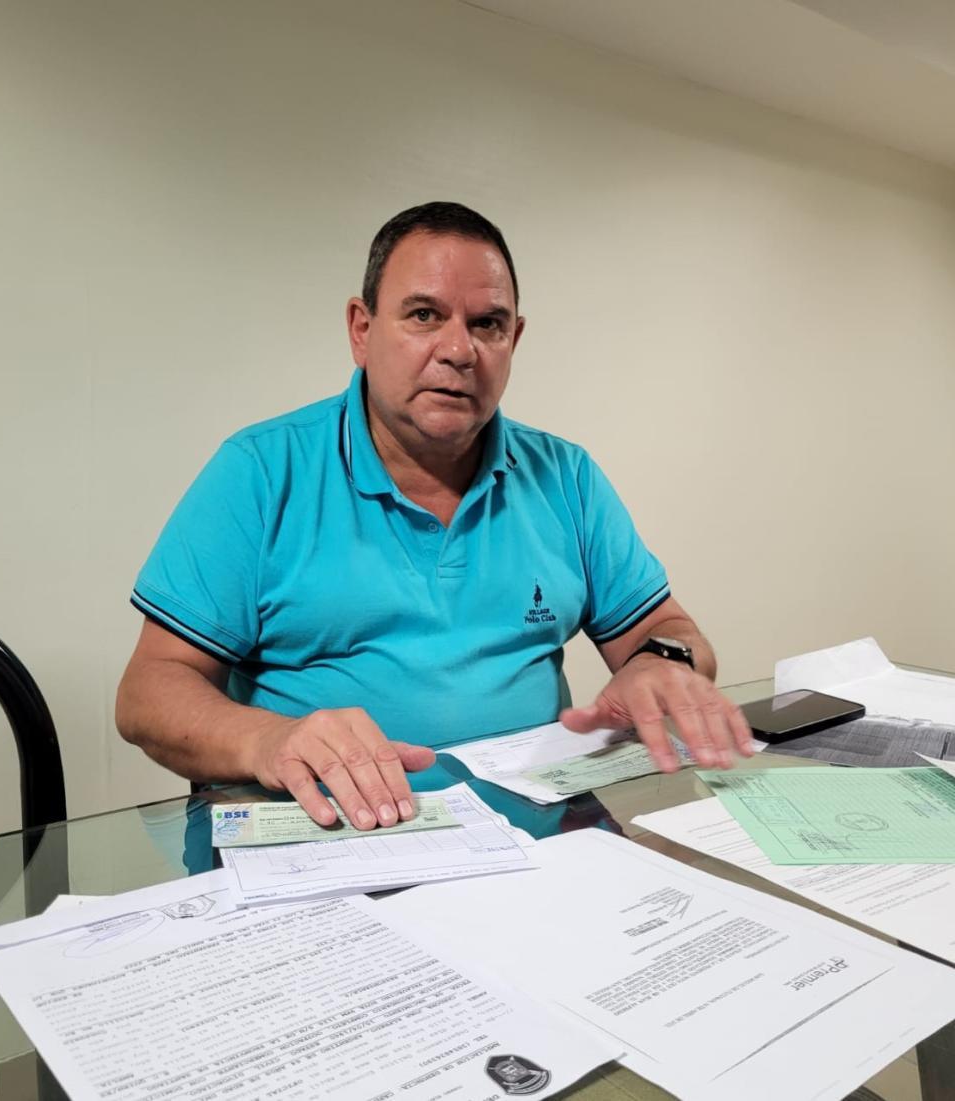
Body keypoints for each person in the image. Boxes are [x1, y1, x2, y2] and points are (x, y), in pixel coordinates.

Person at [116, 201, 753, 832]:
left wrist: (662, 664)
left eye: (487, 324)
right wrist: (268, 740)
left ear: (513, 340)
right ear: (361, 330)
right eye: (424, 315)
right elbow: (149, 692)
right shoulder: (260, 470)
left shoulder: (566, 477)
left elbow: (668, 629)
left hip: (536, 843)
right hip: (324, 837)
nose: (459, 350)